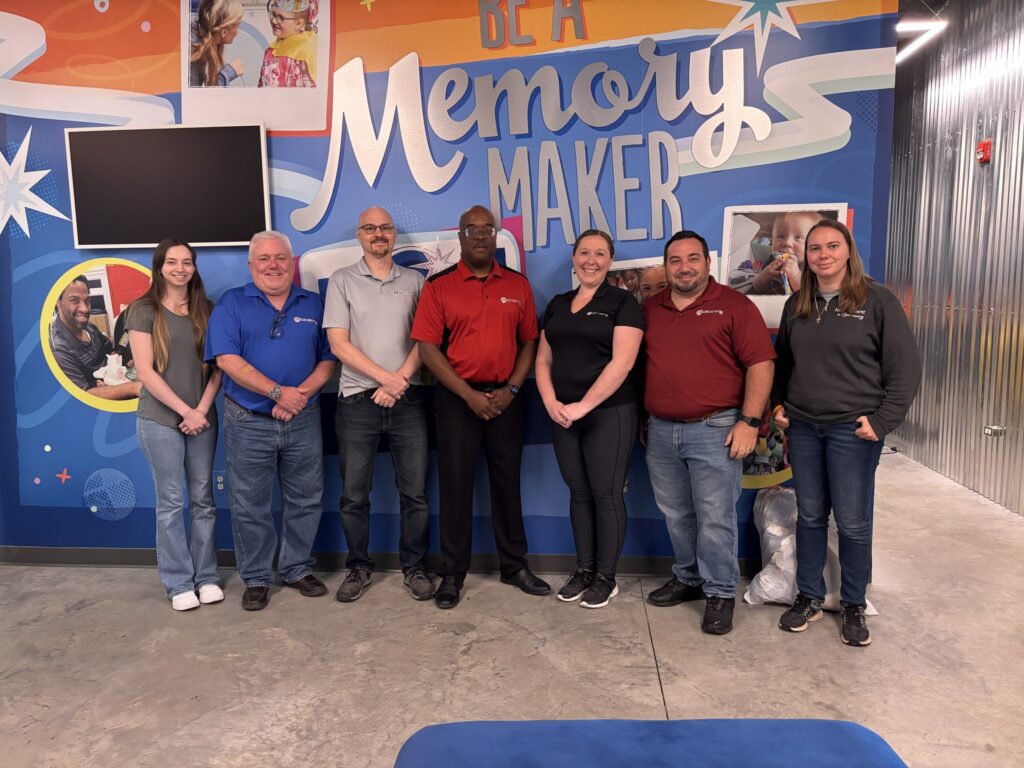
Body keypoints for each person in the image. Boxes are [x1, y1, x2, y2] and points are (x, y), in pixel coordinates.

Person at [773, 220, 921, 647]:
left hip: (852, 432)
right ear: (806, 256)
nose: (823, 255)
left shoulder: (878, 301)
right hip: (804, 427)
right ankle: (809, 597)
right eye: (815, 248)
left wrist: (882, 421)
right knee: (810, 515)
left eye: (832, 246)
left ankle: (854, 603)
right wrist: (779, 405)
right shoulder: (797, 303)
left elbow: (906, 370)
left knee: (853, 522)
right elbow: (783, 364)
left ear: (848, 250)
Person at [412, 205, 549, 609]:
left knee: (507, 483)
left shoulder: (518, 285)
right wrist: (468, 395)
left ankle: (514, 566)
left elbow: (529, 341)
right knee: (455, 487)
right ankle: (452, 573)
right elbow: (427, 349)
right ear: (460, 237)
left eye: (486, 229)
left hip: (506, 398)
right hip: (457, 400)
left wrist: (512, 388)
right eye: (471, 229)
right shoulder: (439, 286)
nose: (479, 235)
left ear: (495, 236)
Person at [643, 230, 775, 635]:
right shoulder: (650, 309)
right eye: (675, 260)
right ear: (666, 267)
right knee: (675, 513)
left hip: (716, 429)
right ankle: (688, 577)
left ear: (707, 263)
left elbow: (761, 364)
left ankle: (720, 591)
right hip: (661, 430)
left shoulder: (735, 305)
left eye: (692, 259)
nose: (684, 267)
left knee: (716, 516)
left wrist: (749, 422)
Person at [205, 231, 336, 611]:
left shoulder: (313, 303)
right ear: (251, 265)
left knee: (306, 497)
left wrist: (297, 397)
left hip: (303, 416)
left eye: (280, 257)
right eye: (264, 259)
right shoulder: (231, 303)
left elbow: (329, 358)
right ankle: (257, 577)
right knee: (250, 503)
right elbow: (227, 360)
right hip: (247, 419)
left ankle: (296, 568)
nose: (273, 265)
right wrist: (278, 393)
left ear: (291, 263)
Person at [323, 207, 434, 603]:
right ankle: (358, 567)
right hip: (357, 402)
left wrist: (398, 380)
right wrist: (385, 379)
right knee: (354, 495)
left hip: (408, 400)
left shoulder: (416, 281)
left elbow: (425, 339)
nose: (378, 234)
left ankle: (415, 567)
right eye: (370, 228)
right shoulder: (342, 280)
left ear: (393, 234)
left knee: (415, 494)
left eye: (385, 227)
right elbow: (338, 344)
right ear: (359, 235)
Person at [535, 230, 643, 609]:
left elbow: (622, 363)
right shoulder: (558, 304)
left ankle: (605, 578)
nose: (591, 261)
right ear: (574, 258)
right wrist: (550, 401)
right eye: (584, 252)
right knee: (578, 493)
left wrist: (583, 406)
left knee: (606, 494)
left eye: (599, 254)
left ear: (610, 261)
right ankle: (584, 570)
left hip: (609, 414)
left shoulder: (623, 303)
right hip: (563, 414)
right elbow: (543, 358)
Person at [127, 239, 223, 611]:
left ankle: (207, 577)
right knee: (170, 503)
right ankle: (179, 582)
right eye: (172, 262)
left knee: (204, 501)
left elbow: (218, 369)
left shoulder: (207, 310)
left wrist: (200, 411)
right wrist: (186, 412)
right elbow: (145, 372)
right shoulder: (143, 310)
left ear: (194, 267)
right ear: (160, 266)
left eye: (187, 262)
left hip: (202, 419)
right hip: (161, 420)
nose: (180, 269)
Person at [50, 276, 141, 400]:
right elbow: (83, 396)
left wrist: (129, 351)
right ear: (57, 301)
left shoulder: (89, 328)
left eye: (87, 301)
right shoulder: (58, 349)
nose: (85, 309)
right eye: (74, 300)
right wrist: (134, 388)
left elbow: (111, 349)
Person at [731, 211, 823, 296]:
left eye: (798, 237)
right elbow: (757, 287)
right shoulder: (772, 260)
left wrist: (795, 276)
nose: (787, 243)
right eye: (780, 236)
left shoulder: (813, 267)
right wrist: (764, 276)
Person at [259, 0, 318, 88]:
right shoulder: (272, 49)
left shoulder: (305, 51)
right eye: (273, 14)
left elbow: (311, 90)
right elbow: (262, 83)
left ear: (298, 23)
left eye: (280, 18)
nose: (274, 21)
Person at [189, 0, 245, 87]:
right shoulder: (191, 52)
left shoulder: (200, 26)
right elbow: (194, 95)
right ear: (224, 32)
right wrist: (227, 74)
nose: (238, 32)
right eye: (237, 26)